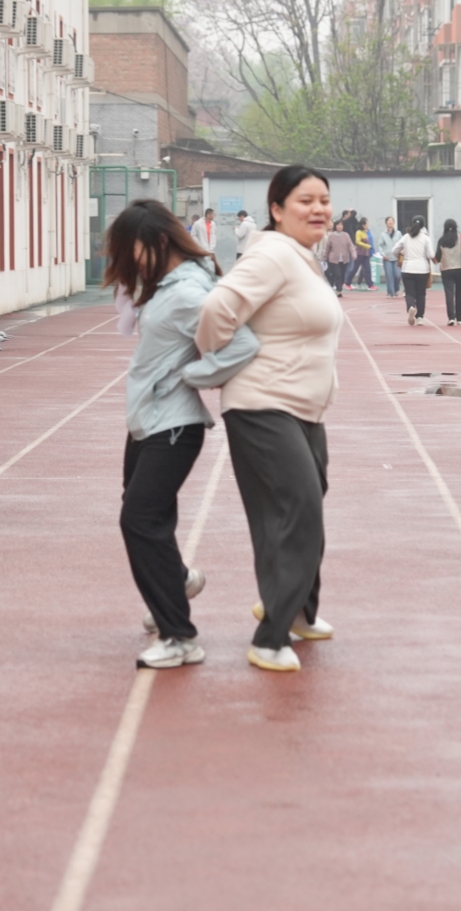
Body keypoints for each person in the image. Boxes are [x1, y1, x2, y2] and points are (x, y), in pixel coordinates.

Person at [197, 165, 345, 672]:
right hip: (263, 405)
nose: (318, 209)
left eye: (323, 199)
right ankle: (270, 637)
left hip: (304, 408)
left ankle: (299, 610)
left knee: (302, 510)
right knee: (298, 510)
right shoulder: (273, 254)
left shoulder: (302, 257)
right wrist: (218, 361)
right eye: (305, 200)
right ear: (277, 209)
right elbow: (218, 309)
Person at [105, 200, 260, 669]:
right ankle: (177, 582)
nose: (131, 262)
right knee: (147, 518)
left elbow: (243, 344)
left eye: (132, 251)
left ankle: (179, 636)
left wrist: (193, 377)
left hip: (172, 425)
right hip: (148, 421)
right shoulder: (171, 284)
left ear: (156, 241)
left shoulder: (189, 291)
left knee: (139, 520)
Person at [396, 215, 435, 324]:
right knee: (421, 294)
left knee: (409, 292)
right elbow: (431, 254)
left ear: (412, 224)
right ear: (423, 225)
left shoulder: (406, 237)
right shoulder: (426, 238)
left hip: (407, 268)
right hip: (422, 269)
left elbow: (395, 249)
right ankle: (420, 317)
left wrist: (399, 255)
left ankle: (411, 307)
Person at [435, 219, 461, 325]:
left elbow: (437, 257)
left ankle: (451, 317)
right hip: (460, 268)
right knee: (459, 293)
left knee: (449, 293)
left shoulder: (441, 241)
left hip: (446, 270)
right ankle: (460, 318)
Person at [323, 216, 355, 294]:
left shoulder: (346, 235)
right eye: (338, 225)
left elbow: (351, 246)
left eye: (341, 225)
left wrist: (354, 254)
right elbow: (327, 248)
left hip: (344, 259)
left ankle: (339, 286)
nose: (339, 226)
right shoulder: (331, 236)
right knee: (337, 274)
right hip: (334, 259)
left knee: (343, 275)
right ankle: (338, 290)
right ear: (335, 226)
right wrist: (325, 257)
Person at [380, 215, 403, 298]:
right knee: (389, 276)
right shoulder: (383, 234)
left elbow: (402, 243)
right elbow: (380, 245)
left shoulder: (398, 233)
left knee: (397, 275)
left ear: (394, 222)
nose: (390, 222)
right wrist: (383, 254)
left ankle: (396, 289)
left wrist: (401, 252)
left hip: (396, 257)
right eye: (389, 221)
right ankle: (390, 292)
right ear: (386, 223)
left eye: (392, 221)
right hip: (387, 258)